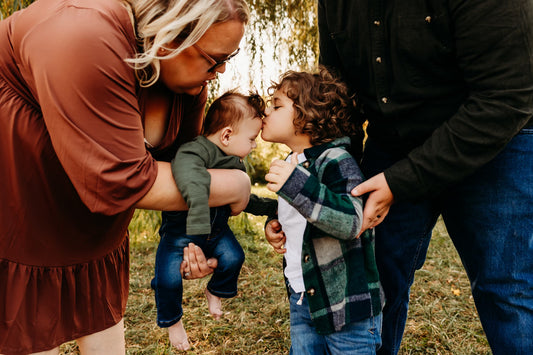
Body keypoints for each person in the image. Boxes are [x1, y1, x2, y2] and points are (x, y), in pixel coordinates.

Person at [0, 0, 252, 353]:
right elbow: (119, 180)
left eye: (230, 57)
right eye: (214, 59)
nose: (222, 70)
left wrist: (194, 240)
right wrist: (236, 185)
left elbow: (179, 172)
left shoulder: (187, 82)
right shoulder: (83, 34)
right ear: (169, 40)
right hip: (22, 229)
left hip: (94, 239)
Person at [309, 1, 533, 354]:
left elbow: (506, 97)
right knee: (373, 280)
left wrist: (402, 181)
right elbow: (338, 97)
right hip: (393, 141)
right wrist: (322, 192)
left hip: (497, 142)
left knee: (507, 288)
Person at [262, 68, 384, 354]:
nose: (266, 112)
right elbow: (301, 217)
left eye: (276, 105)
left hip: (347, 307)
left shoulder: (336, 160)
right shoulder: (291, 161)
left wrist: (294, 185)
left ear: (306, 116)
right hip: (304, 299)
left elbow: (352, 221)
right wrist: (275, 222)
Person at [152, 90, 276, 351]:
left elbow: (239, 197)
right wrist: (198, 222)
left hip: (216, 231)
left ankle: (216, 291)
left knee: (234, 257)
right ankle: (173, 322)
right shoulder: (193, 151)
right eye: (252, 139)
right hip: (180, 233)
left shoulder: (234, 162)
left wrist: (270, 207)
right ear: (227, 135)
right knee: (167, 279)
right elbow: (192, 181)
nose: (254, 145)